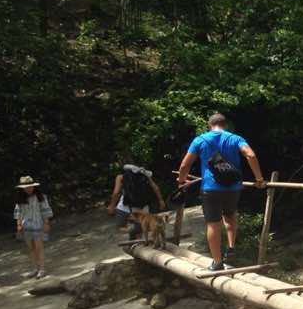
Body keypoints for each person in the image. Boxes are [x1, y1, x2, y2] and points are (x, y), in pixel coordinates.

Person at [177, 113, 266, 270]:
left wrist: (182, 181)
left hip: (211, 189)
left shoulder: (200, 140)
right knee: (230, 214)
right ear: (225, 125)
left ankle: (217, 262)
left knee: (213, 224)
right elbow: (250, 155)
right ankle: (231, 246)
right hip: (233, 187)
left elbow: (185, 165)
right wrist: (259, 178)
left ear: (209, 125)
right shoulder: (236, 138)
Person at [107, 165, 165, 239]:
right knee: (140, 229)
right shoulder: (145, 176)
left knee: (120, 227)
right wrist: (161, 200)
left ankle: (134, 232)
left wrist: (112, 206)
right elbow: (155, 188)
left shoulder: (120, 177)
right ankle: (137, 237)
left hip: (124, 208)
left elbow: (116, 192)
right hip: (142, 208)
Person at [13, 175, 53, 279]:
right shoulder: (20, 199)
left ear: (34, 187)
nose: (28, 189)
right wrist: (19, 224)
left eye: (30, 187)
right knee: (31, 248)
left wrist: (46, 223)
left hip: (38, 224)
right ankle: (35, 268)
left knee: (39, 247)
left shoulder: (41, 197)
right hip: (26, 226)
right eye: (26, 187)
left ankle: (42, 269)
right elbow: (18, 212)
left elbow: (45, 210)